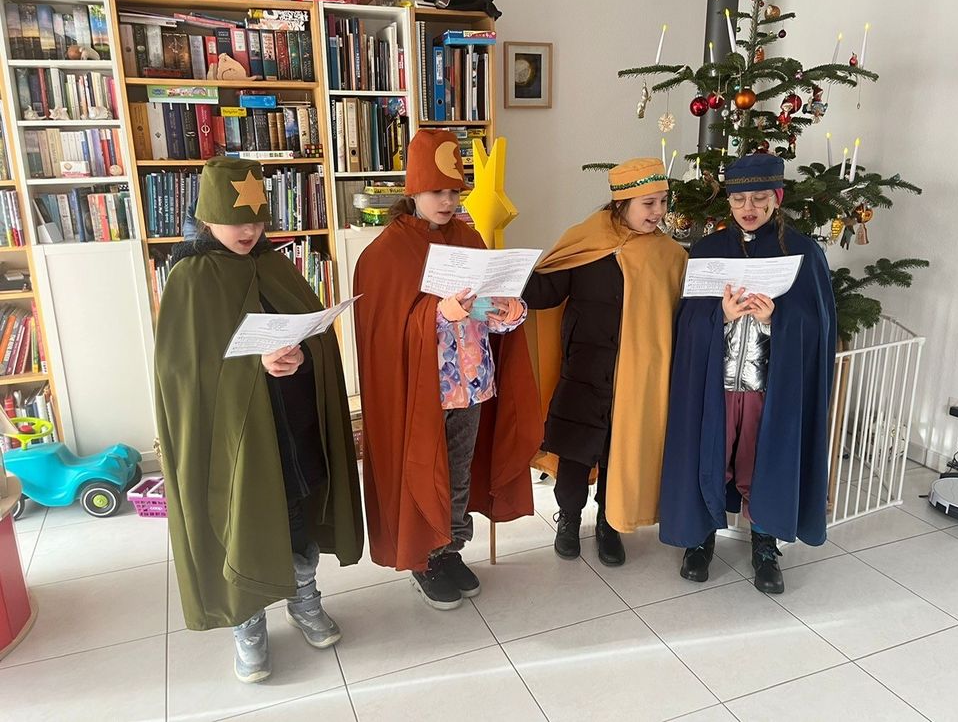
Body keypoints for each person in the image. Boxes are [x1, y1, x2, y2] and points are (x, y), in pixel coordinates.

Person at [154, 157, 363, 682]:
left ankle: (304, 598)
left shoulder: (277, 265)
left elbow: (315, 338)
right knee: (242, 522)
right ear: (207, 218)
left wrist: (302, 355)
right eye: (235, 220)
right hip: (234, 443)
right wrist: (255, 366)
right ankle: (246, 621)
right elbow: (183, 377)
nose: (248, 231)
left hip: (291, 429)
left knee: (296, 516)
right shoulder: (190, 279)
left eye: (257, 219)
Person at [353, 129, 542, 610]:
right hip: (422, 392)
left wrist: (507, 309)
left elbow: (486, 311)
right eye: (437, 190)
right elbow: (387, 330)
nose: (447, 201)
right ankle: (425, 557)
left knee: (458, 473)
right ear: (414, 189)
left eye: (455, 191)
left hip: (472, 384)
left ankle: (451, 548)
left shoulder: (469, 237)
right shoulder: (385, 253)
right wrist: (438, 312)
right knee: (425, 471)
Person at [658, 153, 837, 594]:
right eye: (739, 200)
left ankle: (764, 543)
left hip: (767, 388)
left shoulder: (803, 252)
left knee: (761, 463)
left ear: (777, 198)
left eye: (759, 198)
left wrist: (776, 320)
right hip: (714, 386)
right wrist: (718, 315)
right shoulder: (707, 250)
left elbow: (818, 328)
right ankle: (700, 538)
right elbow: (686, 324)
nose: (748, 208)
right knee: (710, 458)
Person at [523, 158, 687, 566]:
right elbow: (545, 290)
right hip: (584, 371)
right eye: (648, 203)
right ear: (622, 203)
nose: (658, 212)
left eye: (663, 202)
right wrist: (509, 279)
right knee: (575, 453)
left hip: (635, 379)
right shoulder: (586, 241)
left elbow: (678, 317)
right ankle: (569, 519)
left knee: (619, 454)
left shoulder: (668, 256)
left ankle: (609, 523)